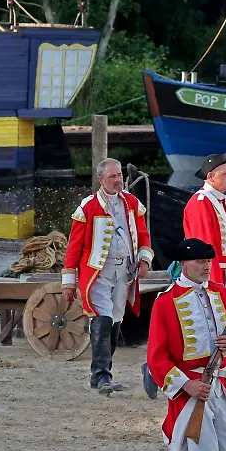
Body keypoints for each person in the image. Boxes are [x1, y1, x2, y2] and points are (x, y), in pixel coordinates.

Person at [147, 238, 226, 451]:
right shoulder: (165, 302)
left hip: (222, 387)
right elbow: (156, 357)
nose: (206, 266)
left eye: (208, 261)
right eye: (200, 261)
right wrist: (186, 385)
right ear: (183, 264)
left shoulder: (222, 293)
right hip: (192, 391)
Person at [62, 157, 152, 395]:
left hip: (124, 272)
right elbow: (74, 247)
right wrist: (68, 282)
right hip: (98, 273)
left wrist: (144, 259)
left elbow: (143, 235)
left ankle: (101, 375)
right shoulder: (88, 206)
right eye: (112, 176)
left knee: (116, 319)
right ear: (101, 180)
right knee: (102, 318)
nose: (118, 180)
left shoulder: (132, 203)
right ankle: (102, 376)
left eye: (120, 175)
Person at [184, 153, 226, 291]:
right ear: (210, 177)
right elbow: (205, 249)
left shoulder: (214, 200)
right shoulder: (201, 202)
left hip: (221, 273)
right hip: (209, 276)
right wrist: (215, 285)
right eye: (225, 174)